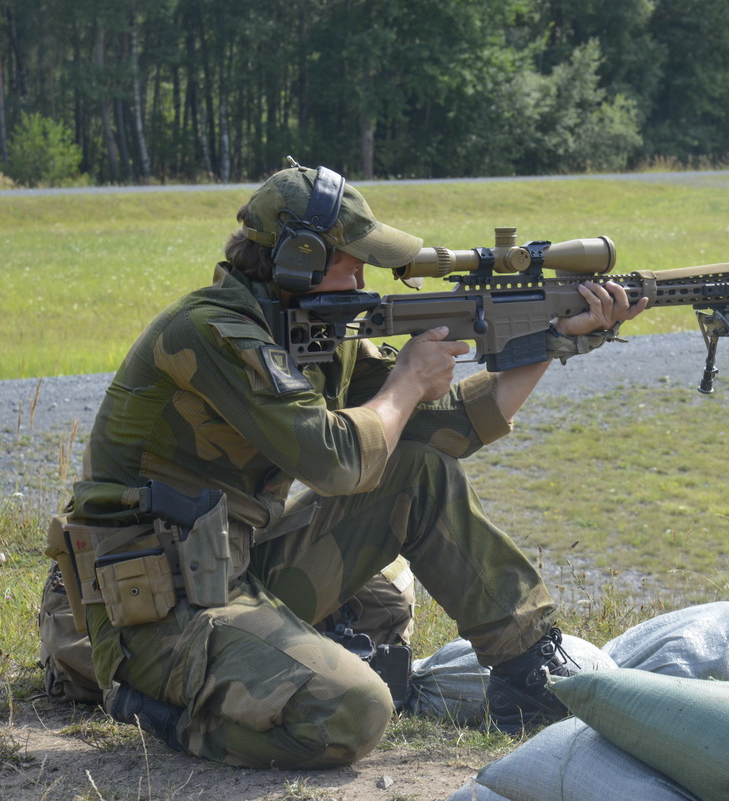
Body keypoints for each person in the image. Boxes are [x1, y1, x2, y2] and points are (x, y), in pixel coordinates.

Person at [42, 162, 646, 768]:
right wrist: (407, 381)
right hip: (153, 608)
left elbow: (449, 428)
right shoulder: (211, 333)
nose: (362, 279)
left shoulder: (312, 332)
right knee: (354, 710)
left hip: (230, 566)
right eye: (351, 263)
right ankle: (150, 706)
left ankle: (527, 675)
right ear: (296, 260)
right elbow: (336, 463)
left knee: (417, 478)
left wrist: (554, 338)